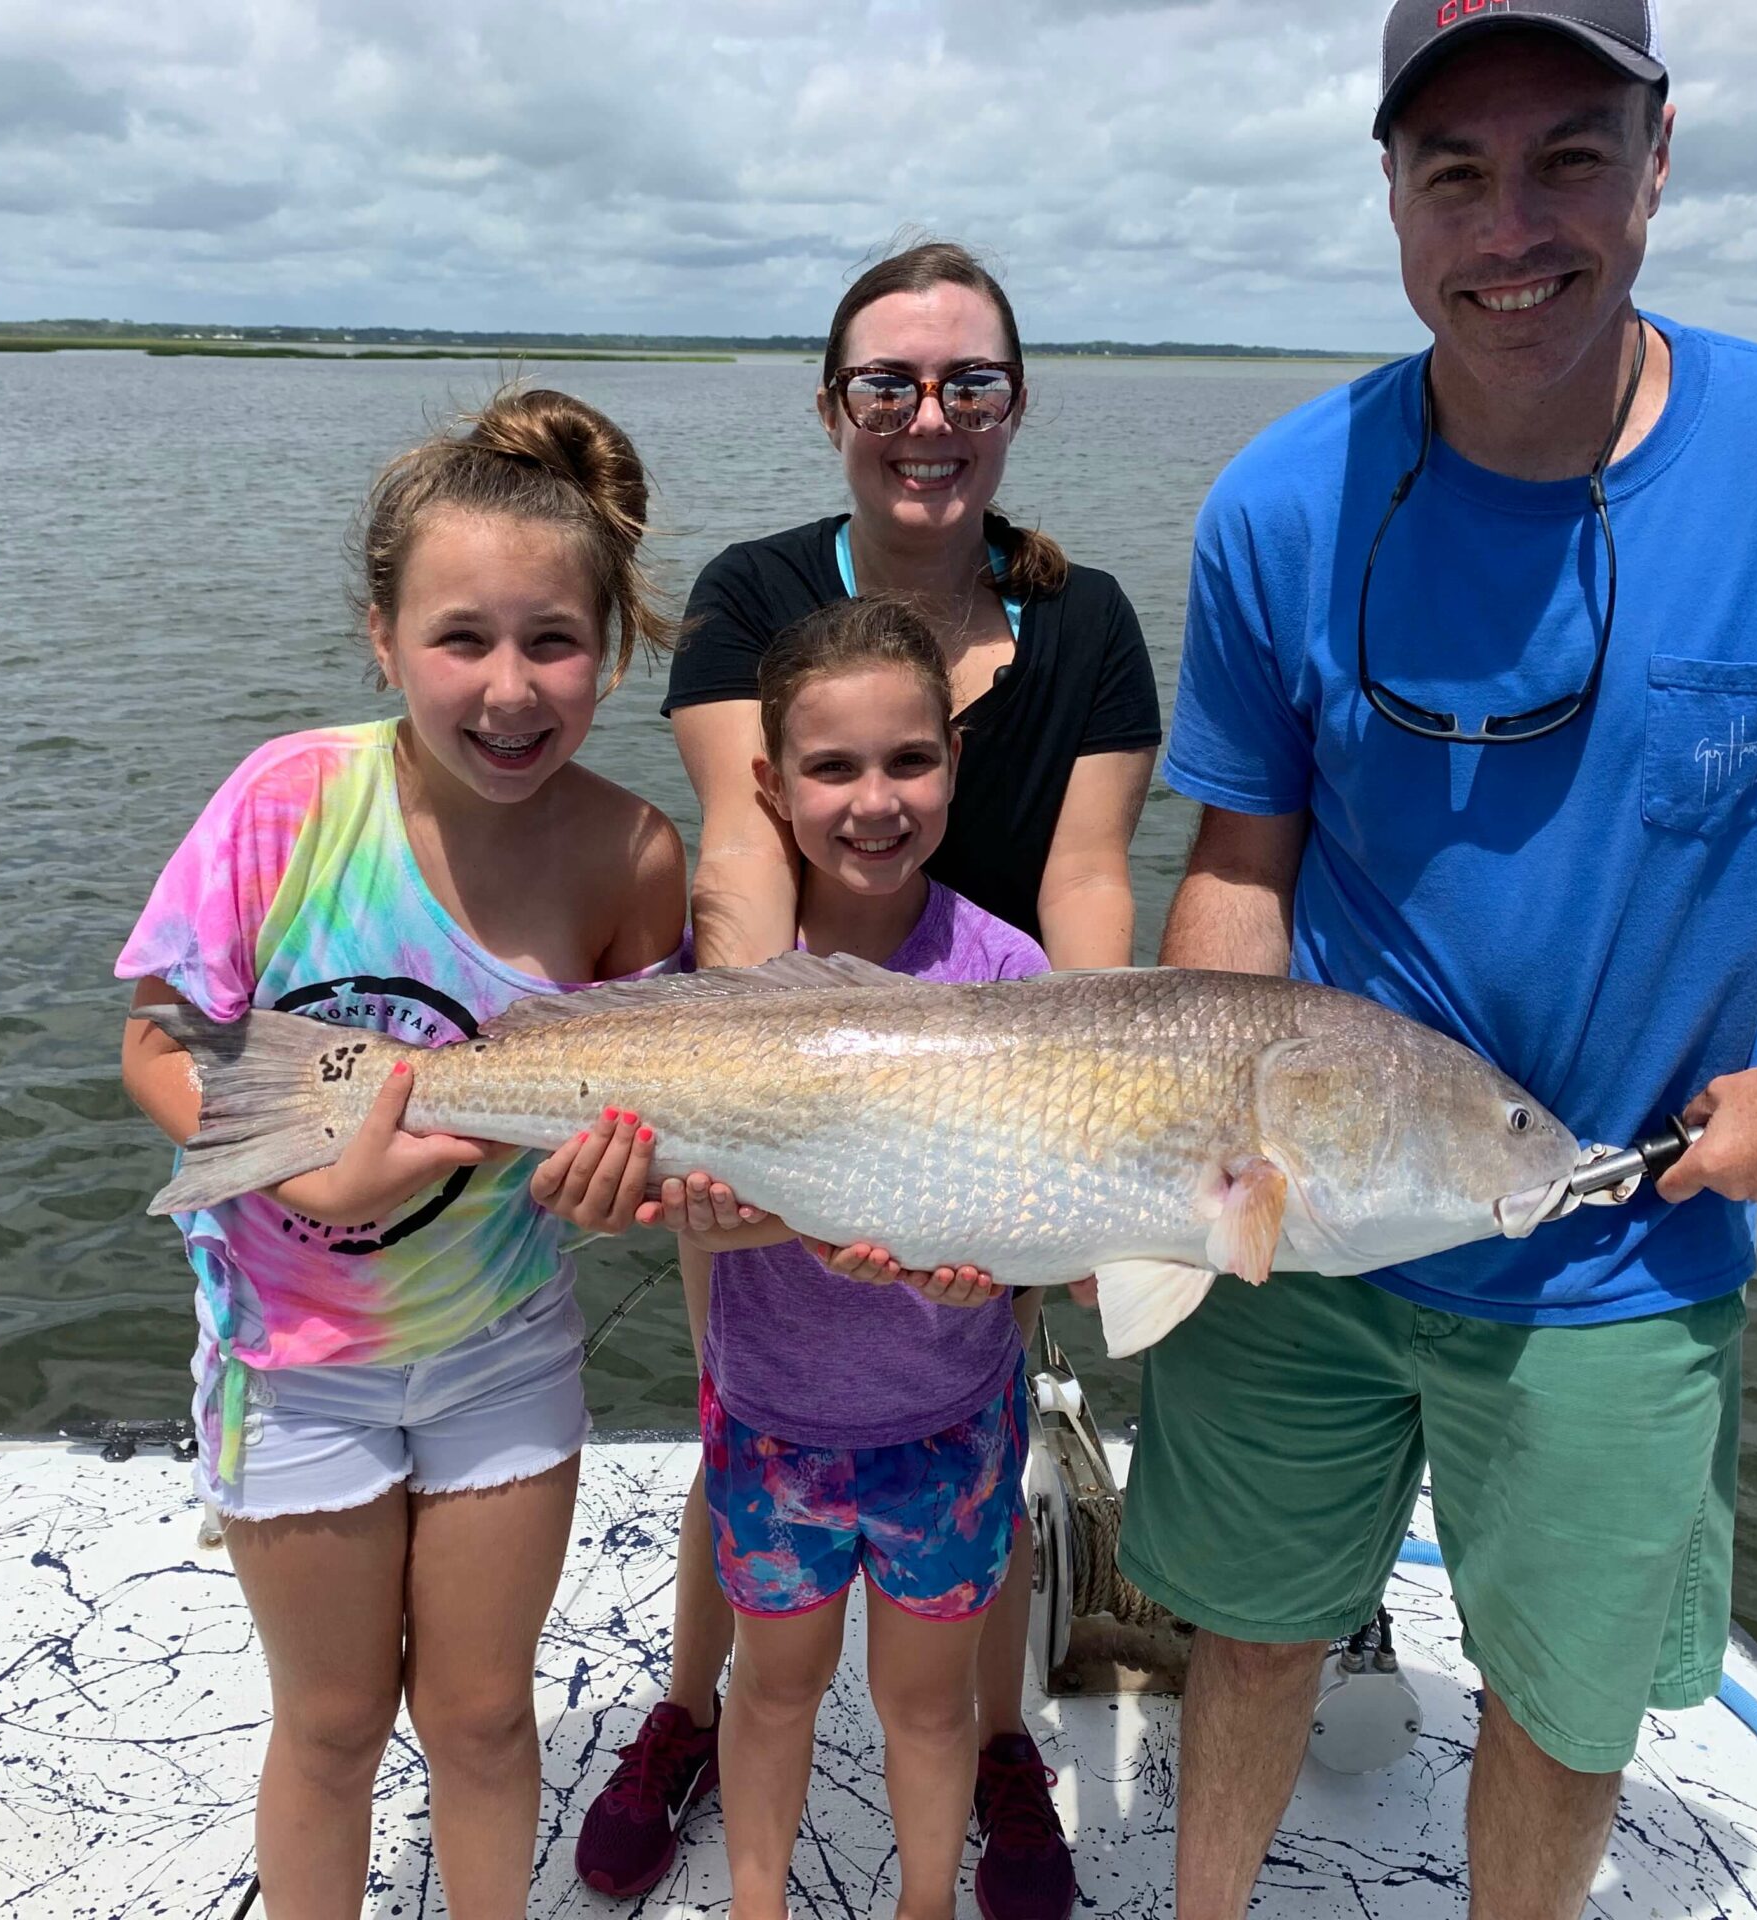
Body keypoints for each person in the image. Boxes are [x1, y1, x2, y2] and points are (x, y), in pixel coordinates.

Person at [1124, 3, 1757, 1916]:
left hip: (1620, 1244)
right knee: (1241, 1636)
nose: (1511, 230)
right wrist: (1179, 1148)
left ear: (1658, 163)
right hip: (1295, 1223)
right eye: (1456, 172)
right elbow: (1244, 863)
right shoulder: (1277, 501)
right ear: (1392, 197)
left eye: (1568, 157)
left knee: (1562, 1716)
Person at [572, 239, 1160, 1920]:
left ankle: (986, 1744)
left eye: (968, 381)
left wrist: (1093, 1148)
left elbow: (1094, 892)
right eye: (889, 382)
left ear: (1016, 403)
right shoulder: (758, 594)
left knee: (965, 1446)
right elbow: (745, 885)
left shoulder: (1088, 620)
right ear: (834, 408)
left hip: (1004, 1065)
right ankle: (692, 1715)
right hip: (775, 1069)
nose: (929, 414)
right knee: (750, 1432)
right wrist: (772, 1130)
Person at [115, 390, 690, 1920]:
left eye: (555, 642)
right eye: (460, 639)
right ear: (382, 638)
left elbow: (637, 1121)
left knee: (488, 1719)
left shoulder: (635, 855)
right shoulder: (290, 799)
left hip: (502, 1344)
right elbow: (159, 1042)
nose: (510, 689)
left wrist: (621, 1184)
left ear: (613, 651)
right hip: (290, 1358)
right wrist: (302, 1173)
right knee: (330, 1724)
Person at [667, 594, 1049, 1920]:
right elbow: (665, 1183)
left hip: (948, 1422)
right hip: (771, 1418)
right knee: (771, 1688)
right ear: (771, 785)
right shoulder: (724, 979)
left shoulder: (1008, 974)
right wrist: (682, 1201)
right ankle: (756, 1904)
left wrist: (988, 1266)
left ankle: (926, 1905)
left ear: (956, 762)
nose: (873, 800)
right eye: (832, 768)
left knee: (929, 1707)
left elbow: (1029, 1200)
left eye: (909, 760)